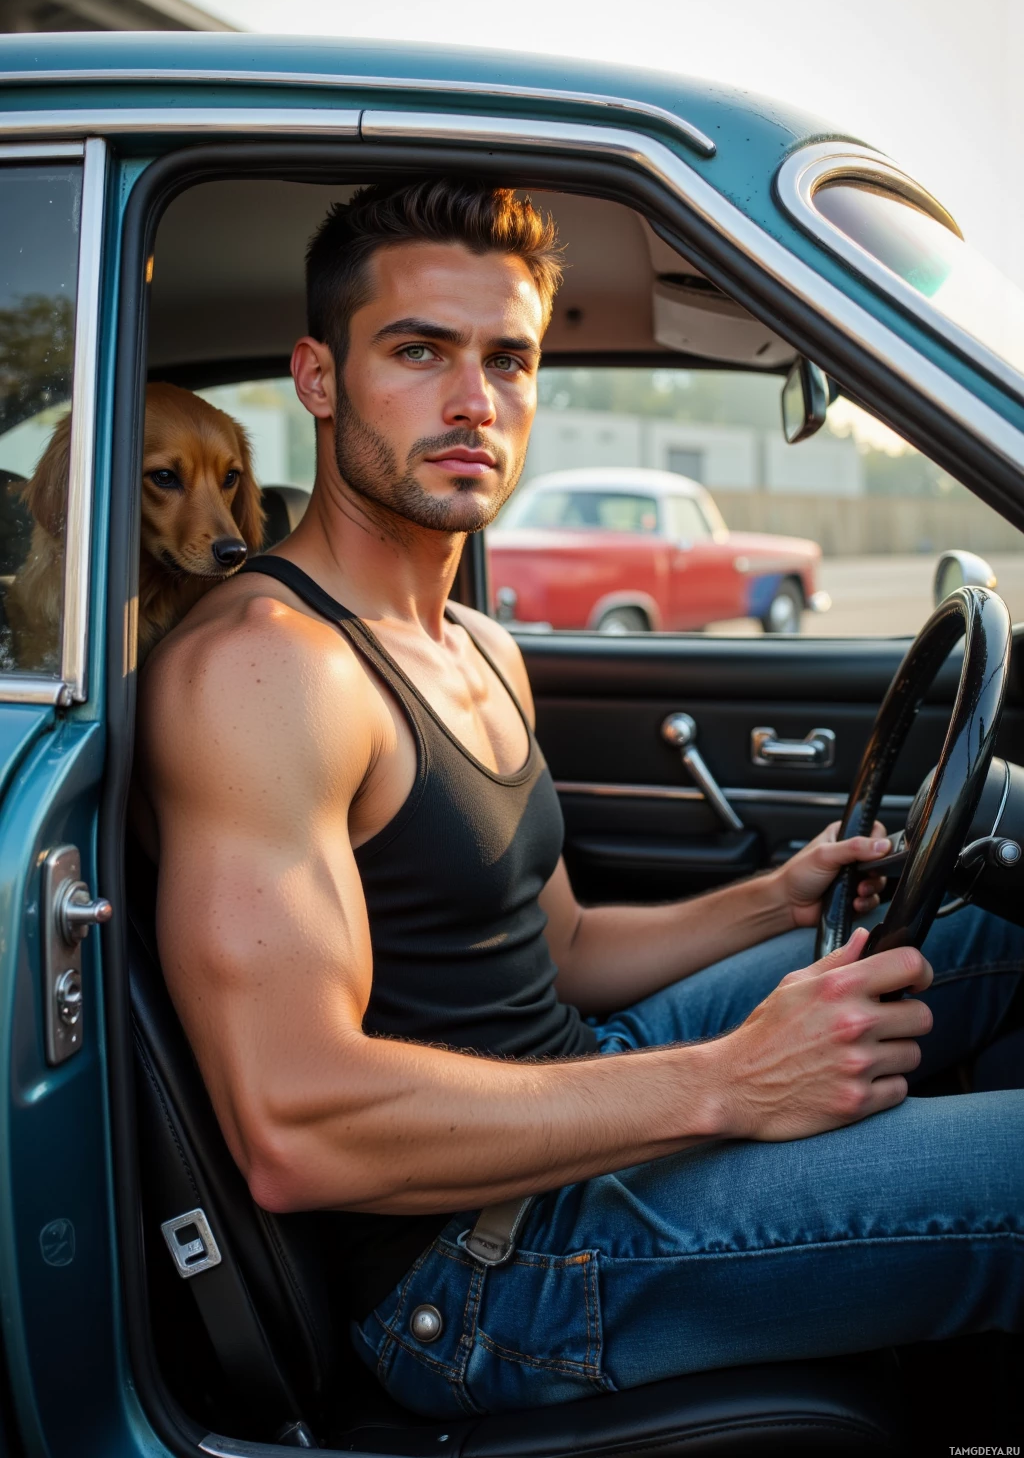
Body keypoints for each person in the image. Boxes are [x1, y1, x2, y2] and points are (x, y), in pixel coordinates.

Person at [135, 178, 1024, 1419]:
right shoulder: (268, 670)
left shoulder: (480, 647)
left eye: (509, 359)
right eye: (417, 350)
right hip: (480, 1266)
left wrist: (774, 898)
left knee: (1003, 842)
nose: (470, 402)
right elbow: (298, 1129)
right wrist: (730, 1082)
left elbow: (565, 949)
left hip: (570, 1084)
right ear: (318, 377)